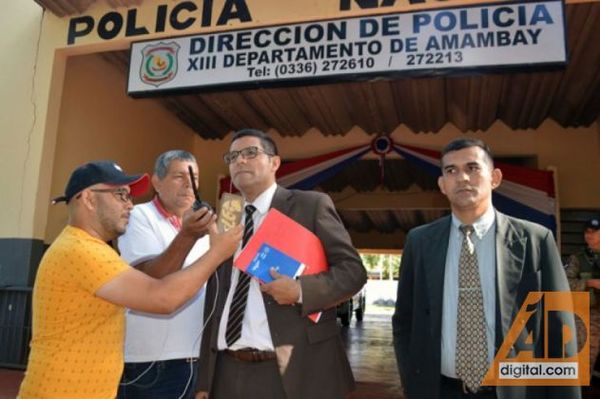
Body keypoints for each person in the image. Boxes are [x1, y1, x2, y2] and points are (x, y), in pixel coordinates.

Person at [18, 160, 242, 399]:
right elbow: (162, 298)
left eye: (128, 196)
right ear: (89, 199)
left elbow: (153, 285)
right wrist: (217, 253)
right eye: (120, 195)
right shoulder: (81, 251)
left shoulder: (92, 249)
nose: (130, 205)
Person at [392, 138, 580, 399]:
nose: (462, 178)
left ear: (495, 178)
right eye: (451, 171)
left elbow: (559, 331)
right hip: (439, 390)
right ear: (442, 185)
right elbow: (404, 321)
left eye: (472, 167)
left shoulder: (536, 240)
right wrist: (413, 381)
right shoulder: (419, 241)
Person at [195, 129, 367, 399]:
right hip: (226, 371)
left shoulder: (309, 206)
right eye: (233, 156)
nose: (240, 161)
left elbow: (353, 272)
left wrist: (300, 291)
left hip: (292, 370)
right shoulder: (226, 218)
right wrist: (205, 378)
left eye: (251, 153)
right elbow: (216, 298)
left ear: (275, 163)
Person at [117, 151, 214, 399]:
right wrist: (189, 235)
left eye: (194, 177)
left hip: (196, 356)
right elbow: (151, 279)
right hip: (154, 361)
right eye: (179, 176)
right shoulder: (139, 216)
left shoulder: (204, 225)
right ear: (157, 183)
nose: (189, 184)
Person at [566, 217, 600, 382]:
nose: (589, 235)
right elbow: (565, 283)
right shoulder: (578, 258)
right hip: (589, 315)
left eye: (594, 232)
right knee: (586, 356)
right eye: (587, 232)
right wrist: (589, 282)